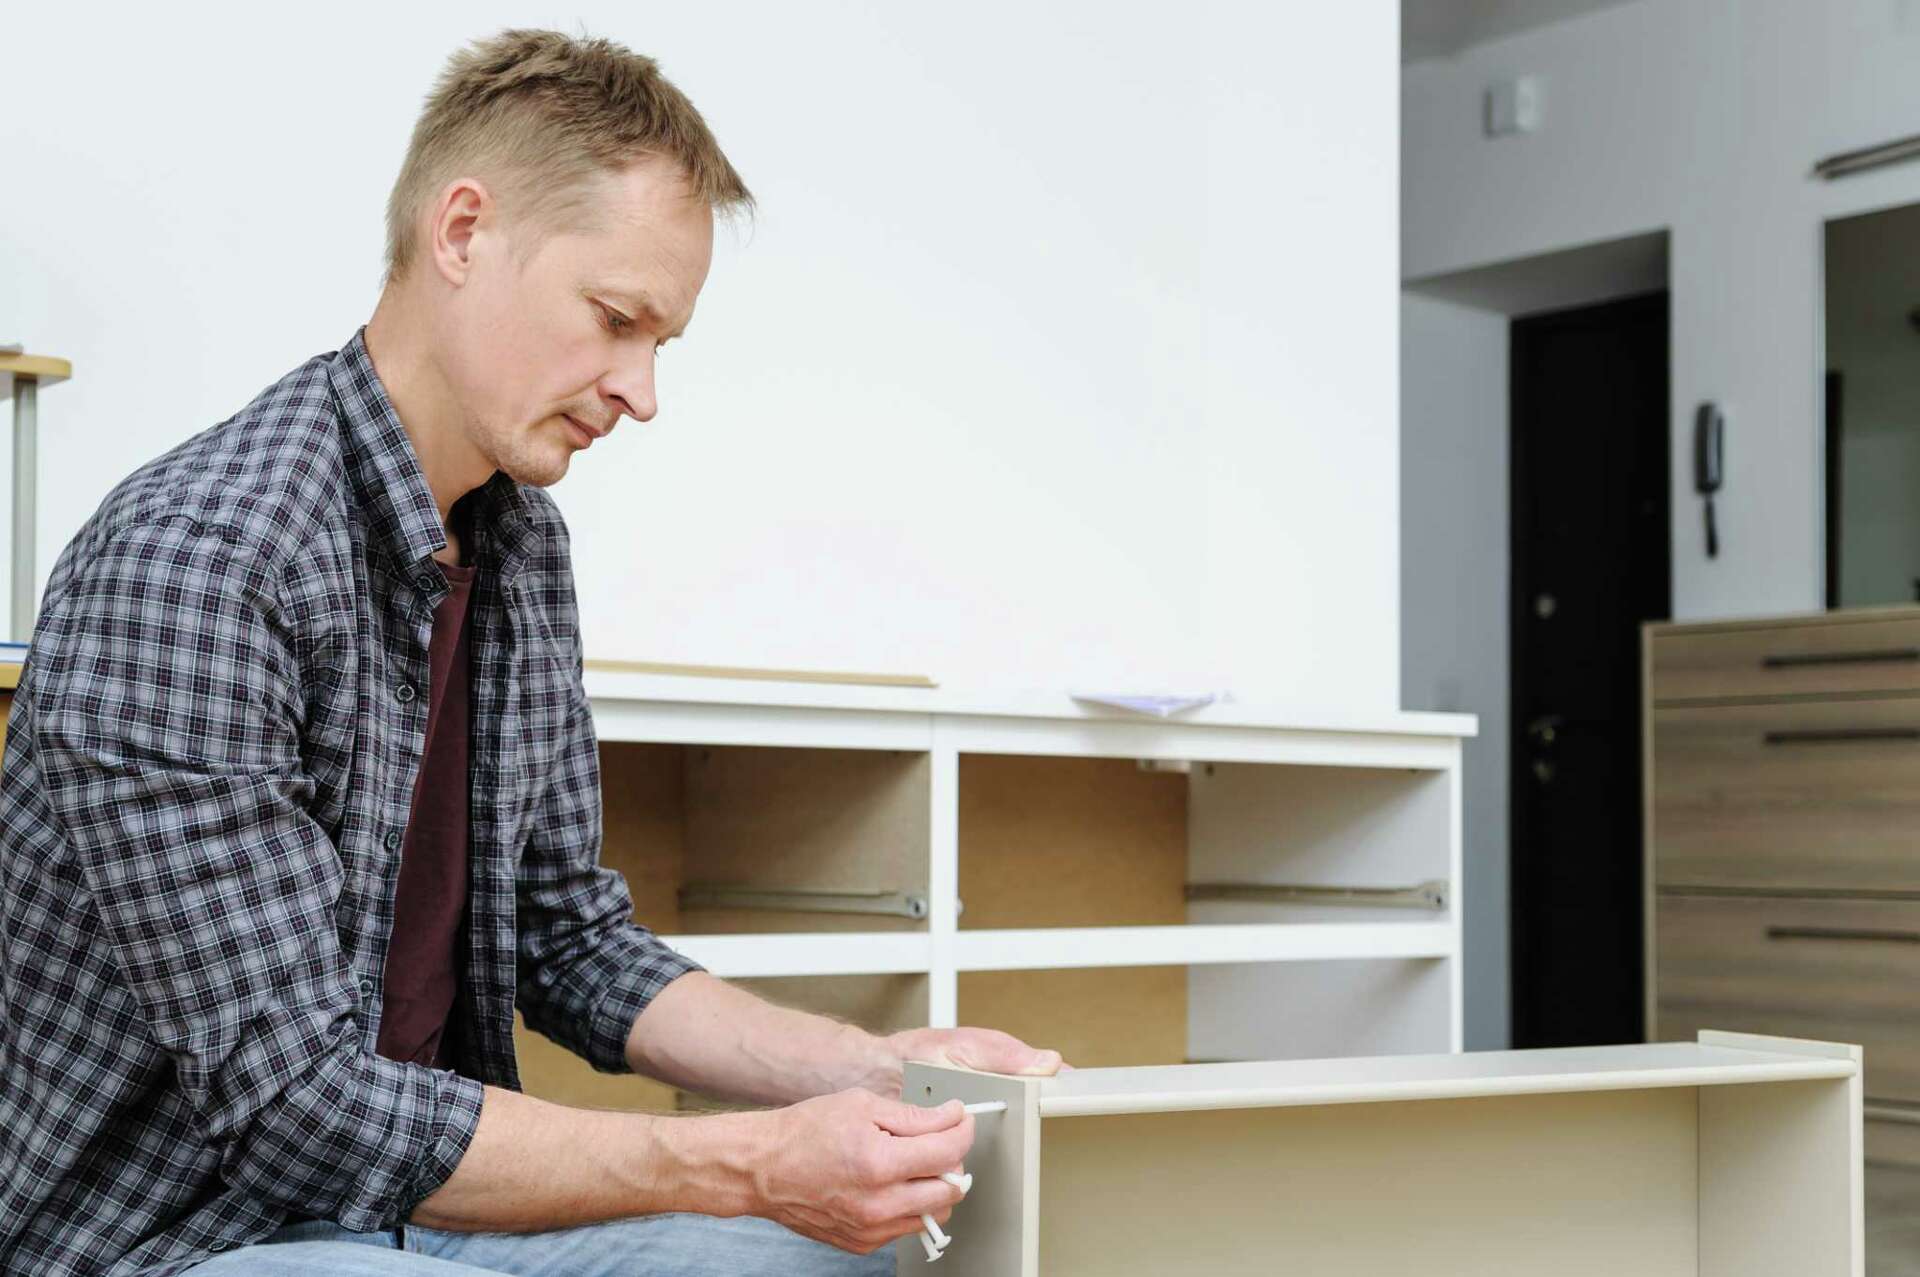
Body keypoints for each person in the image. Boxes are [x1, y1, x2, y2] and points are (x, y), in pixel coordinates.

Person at [0, 28, 1061, 1277]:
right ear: (462, 234)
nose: (642, 389)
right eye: (616, 319)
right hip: (176, 1239)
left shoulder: (518, 547)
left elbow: (568, 941)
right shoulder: (198, 559)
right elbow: (295, 1107)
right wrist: (750, 1160)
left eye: (663, 342)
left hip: (411, 1213)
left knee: (843, 1263)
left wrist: (873, 1066)